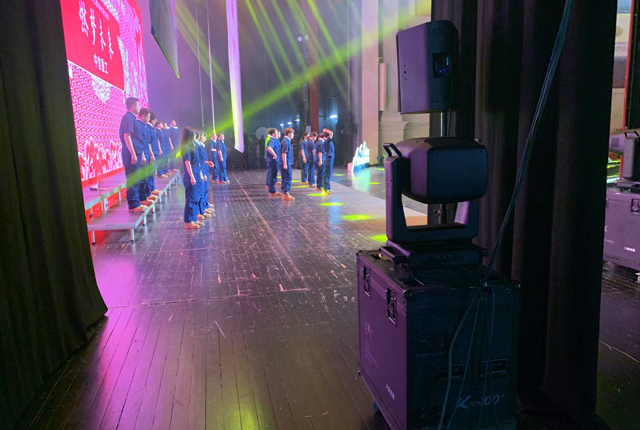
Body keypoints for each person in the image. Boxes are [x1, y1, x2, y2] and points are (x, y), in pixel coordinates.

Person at [119, 97, 147, 212]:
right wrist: (133, 154)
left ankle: (137, 201)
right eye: (138, 106)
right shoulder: (128, 118)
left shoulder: (132, 118)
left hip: (136, 152)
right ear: (133, 106)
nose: (139, 108)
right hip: (131, 154)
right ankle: (133, 204)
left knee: (137, 178)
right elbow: (127, 137)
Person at [181, 127, 203, 229]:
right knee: (190, 198)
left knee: (195, 197)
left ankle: (193, 218)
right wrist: (192, 176)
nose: (195, 136)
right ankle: (188, 221)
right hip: (191, 175)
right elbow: (187, 163)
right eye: (193, 134)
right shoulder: (186, 147)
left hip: (196, 173)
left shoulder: (192, 145)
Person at [133, 108, 154, 206]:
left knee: (146, 176)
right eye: (148, 117)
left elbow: (147, 142)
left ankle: (146, 195)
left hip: (146, 153)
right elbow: (139, 143)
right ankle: (142, 198)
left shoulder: (144, 126)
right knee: (142, 178)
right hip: (142, 154)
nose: (149, 119)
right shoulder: (138, 125)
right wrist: (142, 156)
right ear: (143, 116)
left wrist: (151, 154)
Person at [280, 128, 295, 201]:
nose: (293, 135)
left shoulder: (285, 141)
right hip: (286, 162)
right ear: (289, 134)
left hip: (287, 162)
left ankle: (285, 193)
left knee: (285, 178)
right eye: (292, 133)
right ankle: (285, 193)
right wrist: (285, 163)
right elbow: (284, 153)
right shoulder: (285, 141)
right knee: (287, 177)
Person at [265, 128, 281, 196]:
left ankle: (271, 189)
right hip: (273, 160)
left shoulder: (274, 140)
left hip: (273, 160)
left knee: (272, 174)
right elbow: (269, 148)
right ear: (273, 134)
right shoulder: (272, 140)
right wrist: (275, 155)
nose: (278, 134)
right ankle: (272, 191)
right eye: (277, 133)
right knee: (272, 175)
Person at [322, 129, 335, 194]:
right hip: (328, 158)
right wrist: (325, 130)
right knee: (326, 174)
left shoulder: (329, 141)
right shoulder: (326, 141)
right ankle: (325, 189)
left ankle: (328, 188)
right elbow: (331, 133)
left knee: (328, 174)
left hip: (330, 157)